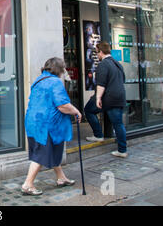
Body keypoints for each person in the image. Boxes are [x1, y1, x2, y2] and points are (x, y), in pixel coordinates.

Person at [22, 58, 82, 196]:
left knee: (52, 150)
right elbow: (63, 105)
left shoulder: (39, 80)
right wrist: (76, 111)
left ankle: (61, 178)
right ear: (59, 69)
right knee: (41, 154)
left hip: (34, 121)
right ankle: (28, 184)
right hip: (46, 124)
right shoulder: (55, 82)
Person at [84, 41, 128, 158]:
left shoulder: (103, 64)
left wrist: (97, 97)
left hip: (109, 98)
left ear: (101, 52)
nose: (97, 55)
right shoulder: (117, 63)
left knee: (88, 110)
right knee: (118, 124)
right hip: (119, 96)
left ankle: (98, 135)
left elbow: (101, 84)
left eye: (97, 52)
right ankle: (122, 150)